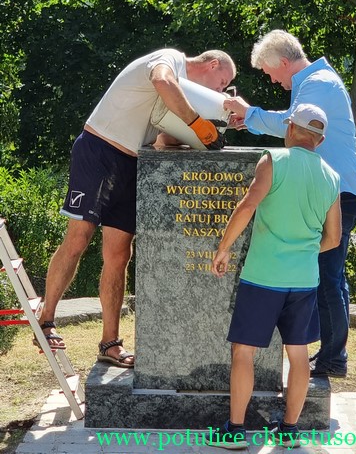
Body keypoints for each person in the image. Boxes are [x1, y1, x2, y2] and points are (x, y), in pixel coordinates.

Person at [36, 48, 236, 367]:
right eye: (222, 83)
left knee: (119, 255)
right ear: (212, 65)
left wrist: (217, 126)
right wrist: (197, 122)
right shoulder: (170, 60)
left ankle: (110, 343)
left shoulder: (183, 94)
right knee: (78, 240)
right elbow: (162, 80)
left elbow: (165, 139)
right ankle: (46, 320)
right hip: (98, 151)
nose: (219, 91)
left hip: (131, 163)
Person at [224, 30, 356, 378]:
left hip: (338, 192)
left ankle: (333, 357)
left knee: (328, 277)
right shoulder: (317, 81)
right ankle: (331, 353)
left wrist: (249, 113)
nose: (273, 80)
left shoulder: (318, 83)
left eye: (271, 73)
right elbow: (291, 123)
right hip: (336, 190)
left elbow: (293, 125)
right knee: (329, 275)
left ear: (285, 62)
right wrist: (250, 119)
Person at [205, 104, 341, 450]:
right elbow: (334, 238)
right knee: (298, 354)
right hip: (304, 279)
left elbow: (248, 204)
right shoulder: (331, 176)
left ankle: (235, 431)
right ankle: (289, 430)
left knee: (244, 352)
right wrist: (303, 252)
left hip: (264, 276)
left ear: (291, 128)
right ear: (320, 140)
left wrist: (224, 248)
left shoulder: (274, 160)